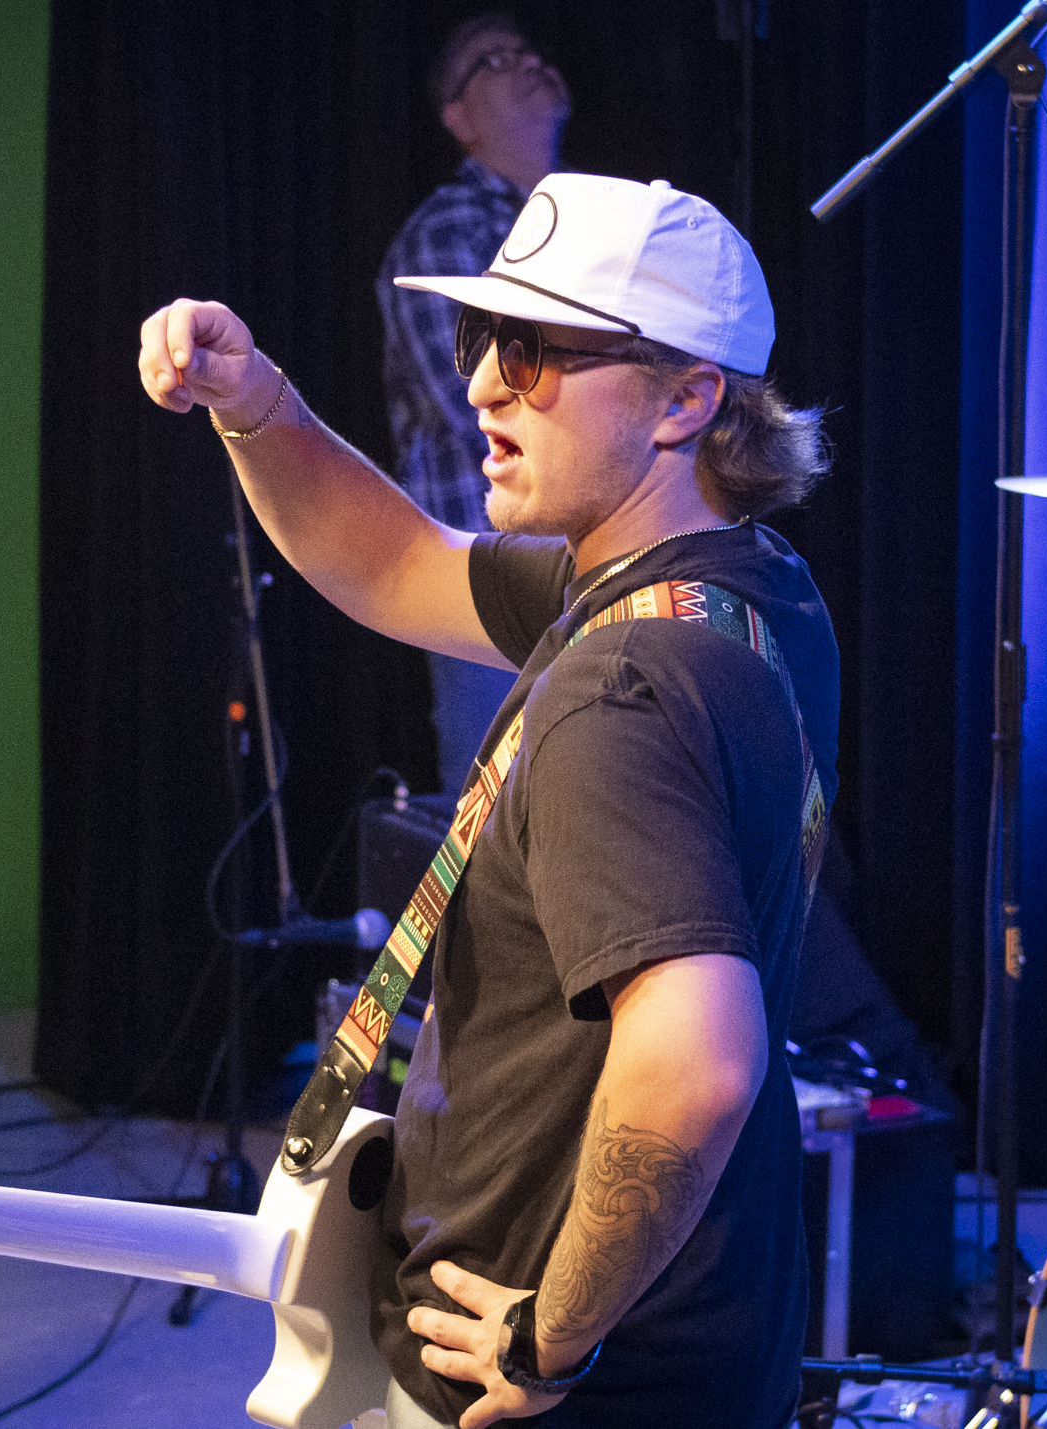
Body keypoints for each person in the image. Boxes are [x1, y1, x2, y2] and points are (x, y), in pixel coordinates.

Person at [139, 172, 834, 1427]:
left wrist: (551, 1338)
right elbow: (397, 559)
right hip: (710, 1333)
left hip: (561, 1384)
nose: (481, 385)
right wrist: (252, 403)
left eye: (535, 349)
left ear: (686, 398)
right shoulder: (733, 584)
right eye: (479, 338)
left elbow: (696, 1064)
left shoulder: (617, 685)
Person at [378, 12, 569, 796]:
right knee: (497, 846)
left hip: (585, 573)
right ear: (457, 118)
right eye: (496, 60)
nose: (527, 62)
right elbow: (485, 405)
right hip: (490, 590)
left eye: (530, 48)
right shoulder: (443, 238)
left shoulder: (582, 231)